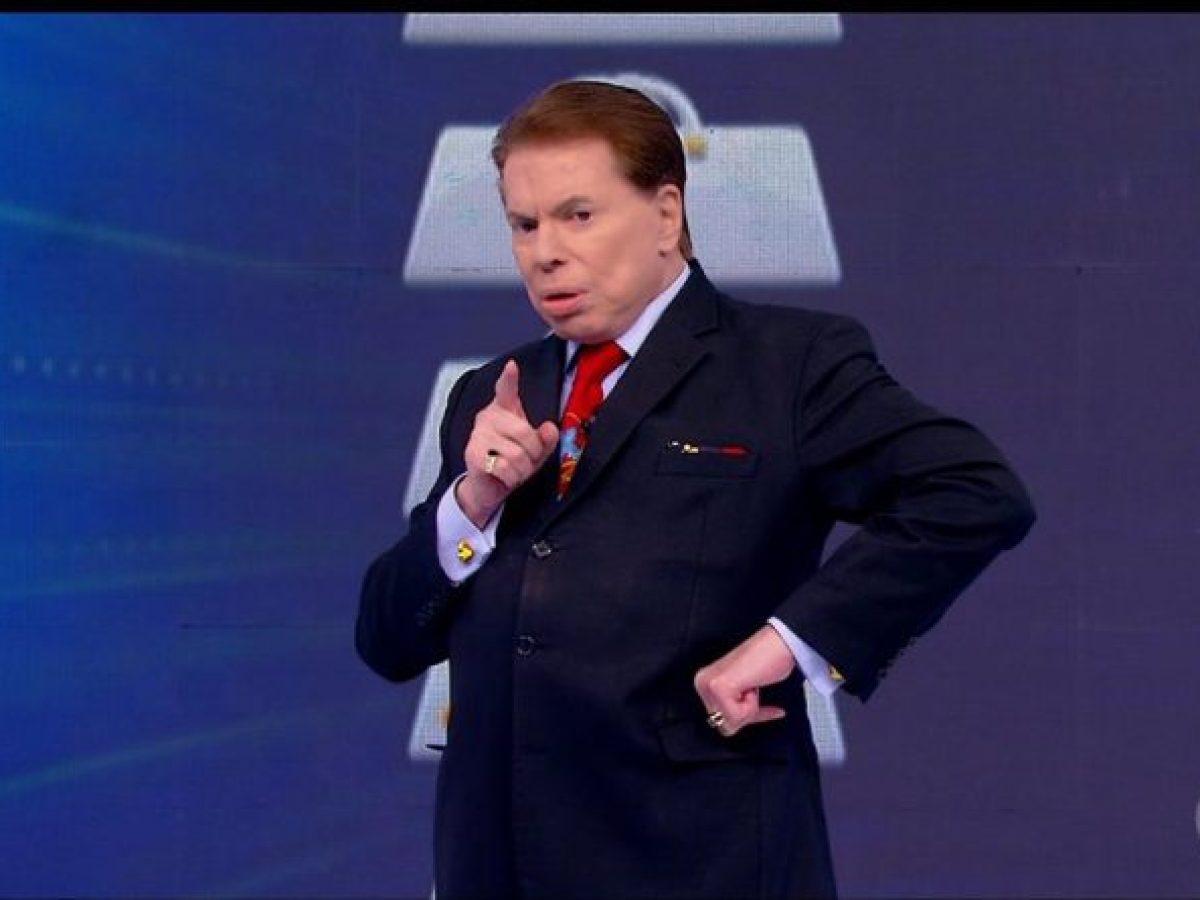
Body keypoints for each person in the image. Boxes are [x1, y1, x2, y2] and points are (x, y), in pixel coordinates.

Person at [356, 79, 1035, 900]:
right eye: (524, 224)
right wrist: (471, 506)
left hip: (699, 863)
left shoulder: (788, 364)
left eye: (578, 215)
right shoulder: (491, 393)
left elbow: (971, 491)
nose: (545, 252)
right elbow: (387, 642)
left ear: (666, 214)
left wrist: (789, 641)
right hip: (498, 870)